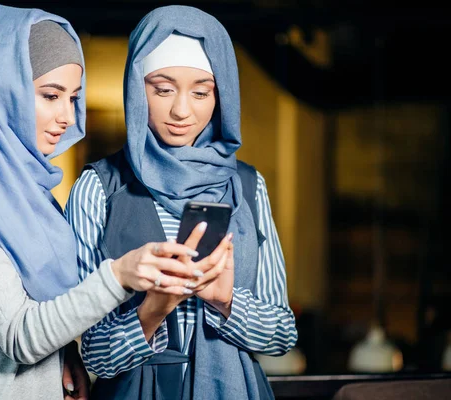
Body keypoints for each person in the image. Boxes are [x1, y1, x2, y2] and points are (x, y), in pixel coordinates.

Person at [0, 4, 223, 400]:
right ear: (0, 92)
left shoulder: (29, 199)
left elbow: (37, 315)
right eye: (51, 96)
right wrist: (118, 276)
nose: (68, 117)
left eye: (73, 98)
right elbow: (19, 335)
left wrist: (67, 356)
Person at [66, 5, 298, 399]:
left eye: (201, 91)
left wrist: (225, 302)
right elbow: (94, 355)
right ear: (137, 89)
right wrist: (154, 307)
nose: (181, 110)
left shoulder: (246, 185)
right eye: (163, 88)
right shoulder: (98, 188)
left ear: (221, 94)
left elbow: (281, 333)